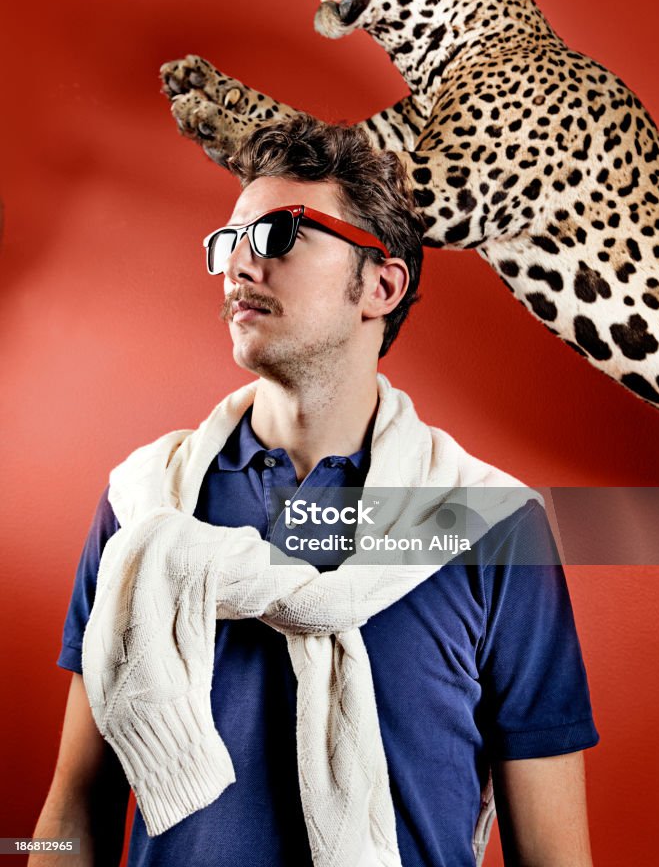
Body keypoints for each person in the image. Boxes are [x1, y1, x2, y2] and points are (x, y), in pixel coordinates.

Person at [31, 115, 598, 867]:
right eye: (229, 243)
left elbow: (555, 858)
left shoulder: (490, 524)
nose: (239, 266)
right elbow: (75, 810)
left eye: (277, 236)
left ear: (381, 284)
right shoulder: (144, 507)